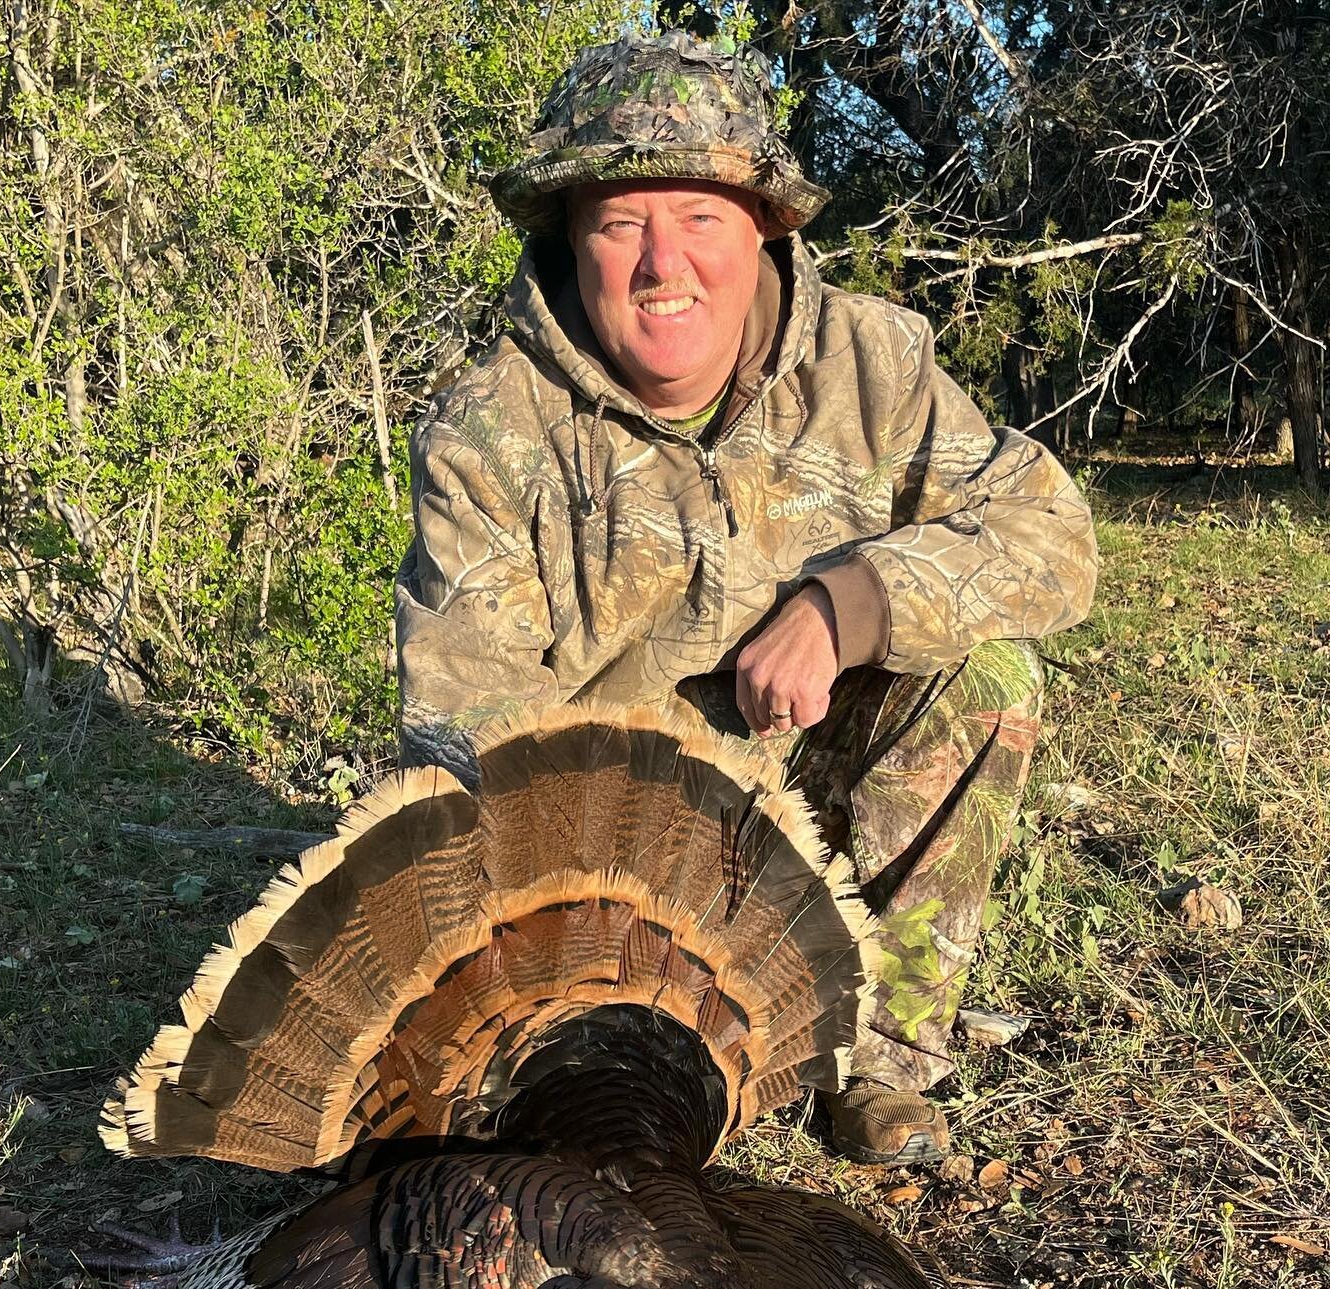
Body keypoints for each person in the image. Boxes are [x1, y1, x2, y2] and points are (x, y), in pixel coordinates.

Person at [393, 31, 1098, 1167]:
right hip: (604, 867)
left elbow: (1053, 537)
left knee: (991, 675)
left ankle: (882, 1062)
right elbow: (463, 724)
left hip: (807, 795)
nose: (663, 261)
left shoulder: (876, 363)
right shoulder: (490, 429)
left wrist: (848, 604)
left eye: (702, 217)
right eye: (621, 222)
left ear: (765, 224)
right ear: (570, 236)